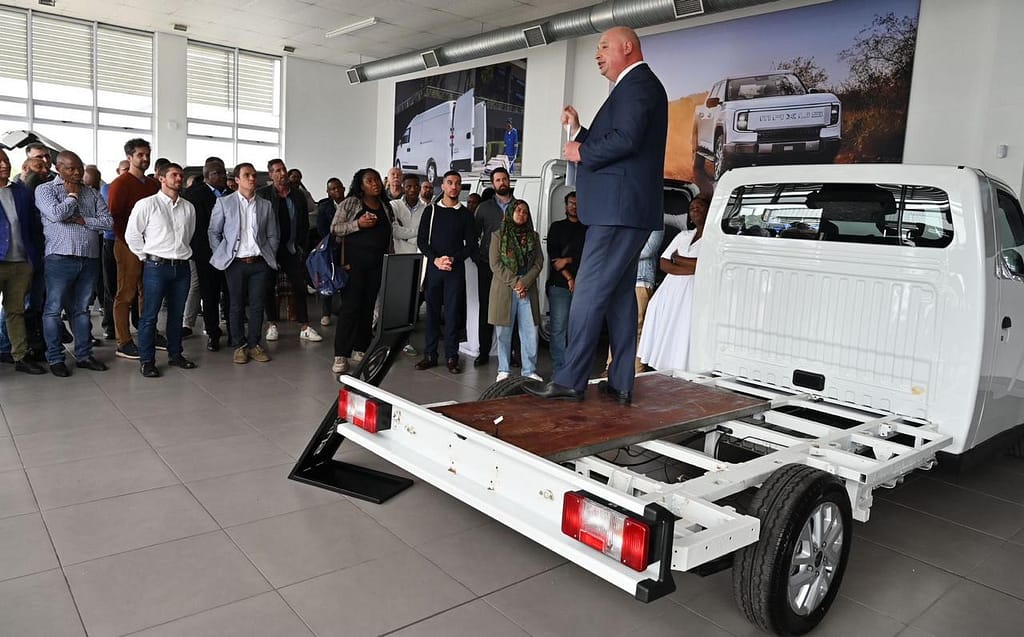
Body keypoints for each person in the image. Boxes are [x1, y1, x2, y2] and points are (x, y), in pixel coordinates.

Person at [525, 26, 668, 405]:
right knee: (620, 296)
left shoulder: (638, 83)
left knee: (587, 292)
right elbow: (621, 138)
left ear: (627, 46)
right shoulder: (634, 87)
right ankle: (621, 381)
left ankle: (570, 379)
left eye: (603, 46)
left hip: (618, 209)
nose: (597, 54)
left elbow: (627, 139)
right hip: (624, 208)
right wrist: (578, 132)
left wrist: (581, 152)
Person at [35, 151, 113, 377]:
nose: (77, 172)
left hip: (89, 259)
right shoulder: (46, 190)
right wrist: (72, 197)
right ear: (59, 168)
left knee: (81, 310)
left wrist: (83, 220)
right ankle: (56, 358)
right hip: (59, 258)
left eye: (79, 167)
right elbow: (57, 214)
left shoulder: (92, 192)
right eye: (70, 168)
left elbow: (108, 222)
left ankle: (84, 356)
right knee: (53, 310)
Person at [125, 162, 198, 377]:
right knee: (149, 316)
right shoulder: (147, 204)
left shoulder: (188, 207)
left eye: (181, 176)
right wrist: (145, 256)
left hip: (182, 266)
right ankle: (147, 360)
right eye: (174, 175)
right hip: (156, 266)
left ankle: (175, 354)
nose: (179, 179)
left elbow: (189, 235)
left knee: (177, 315)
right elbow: (132, 235)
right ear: (161, 178)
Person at [209, 162, 278, 364]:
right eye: (247, 175)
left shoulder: (265, 205)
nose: (252, 179)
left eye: (254, 175)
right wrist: (222, 254)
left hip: (259, 262)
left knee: (257, 305)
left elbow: (273, 234)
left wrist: (269, 253)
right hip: (235, 263)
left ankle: (254, 344)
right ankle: (239, 345)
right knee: (236, 305)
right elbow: (214, 232)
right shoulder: (225, 203)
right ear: (237, 179)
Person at [330, 168, 394, 374]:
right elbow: (335, 228)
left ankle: (360, 348)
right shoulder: (350, 203)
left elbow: (389, 235)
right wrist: (359, 223)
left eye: (377, 180)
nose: (375, 184)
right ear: (360, 184)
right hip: (353, 266)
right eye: (370, 181)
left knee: (367, 308)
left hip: (376, 265)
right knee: (350, 308)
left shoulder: (384, 206)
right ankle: (341, 354)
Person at [637, 197, 708, 371]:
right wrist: (692, 266)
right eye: (692, 207)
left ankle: (681, 369)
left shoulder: (713, 238)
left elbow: (708, 265)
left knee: (684, 328)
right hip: (670, 290)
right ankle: (662, 368)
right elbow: (664, 262)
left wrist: (679, 259)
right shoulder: (683, 235)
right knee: (664, 324)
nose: (695, 210)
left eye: (700, 207)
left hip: (692, 291)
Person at [416, 171, 475, 374]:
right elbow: (422, 241)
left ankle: (452, 356)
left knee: (452, 315)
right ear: (443, 186)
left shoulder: (466, 214)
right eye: (450, 183)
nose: (454, 187)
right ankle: (430, 355)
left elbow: (471, 245)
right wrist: (436, 259)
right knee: (431, 314)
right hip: (434, 269)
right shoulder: (431, 211)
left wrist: (453, 259)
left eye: (457, 183)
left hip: (454, 271)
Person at [109, 138, 162, 360]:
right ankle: (123, 341)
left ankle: (148, 332)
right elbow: (115, 216)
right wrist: (132, 242)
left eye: (147, 154)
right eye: (140, 155)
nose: (145, 158)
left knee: (147, 292)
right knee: (126, 292)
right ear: (129, 157)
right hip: (127, 244)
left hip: (152, 245)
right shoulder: (120, 184)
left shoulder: (152, 185)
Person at [258, 159, 321, 343]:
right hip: (270, 250)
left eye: (283, 169)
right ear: (270, 175)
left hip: (292, 248)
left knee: (299, 287)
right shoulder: (263, 195)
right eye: (277, 170)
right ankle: (272, 325)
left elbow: (304, 223)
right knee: (269, 287)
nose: (282, 173)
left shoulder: (298, 195)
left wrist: (302, 246)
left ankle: (305, 326)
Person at [0, 149, 46, 374]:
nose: (3, 165)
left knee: (15, 310)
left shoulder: (21, 192)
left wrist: (33, 257)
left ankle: (20, 356)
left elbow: (33, 227)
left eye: (6, 160)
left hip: (20, 262)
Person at [488, 200, 544, 382]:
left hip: (526, 288)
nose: (521, 214)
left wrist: (524, 283)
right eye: (518, 210)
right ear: (511, 212)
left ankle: (529, 370)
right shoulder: (498, 235)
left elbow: (538, 263)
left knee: (530, 330)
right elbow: (495, 264)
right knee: (504, 330)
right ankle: (503, 369)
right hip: (505, 288)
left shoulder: (533, 237)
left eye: (525, 212)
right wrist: (515, 283)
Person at [182, 158, 230, 351]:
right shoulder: (195, 194)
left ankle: (234, 332)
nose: (222, 176)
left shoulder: (232, 195)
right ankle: (213, 332)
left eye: (224, 172)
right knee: (209, 295)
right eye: (217, 173)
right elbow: (196, 227)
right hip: (206, 255)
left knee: (230, 294)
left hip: (229, 254)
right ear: (207, 175)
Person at [470, 167, 514, 367]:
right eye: (498, 180)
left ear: (509, 180)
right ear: (493, 184)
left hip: (512, 268)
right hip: (487, 265)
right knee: (486, 310)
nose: (502, 182)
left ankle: (512, 354)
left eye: (504, 179)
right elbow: (473, 235)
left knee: (512, 310)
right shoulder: (484, 208)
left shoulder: (519, 206)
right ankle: (484, 352)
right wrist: (478, 257)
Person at [546, 191, 586, 372]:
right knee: (558, 329)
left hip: (584, 285)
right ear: (565, 205)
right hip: (559, 284)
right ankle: (560, 369)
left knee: (578, 330)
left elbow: (588, 257)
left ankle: (574, 367)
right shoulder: (557, 227)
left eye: (578, 203)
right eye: (571, 203)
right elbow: (555, 260)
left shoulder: (588, 229)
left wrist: (568, 260)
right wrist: (570, 277)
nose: (574, 207)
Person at [315, 177, 345, 327]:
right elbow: (321, 229)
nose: (336, 191)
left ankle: (344, 310)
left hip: (348, 248)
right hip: (331, 248)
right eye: (332, 189)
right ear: (328, 192)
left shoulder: (351, 204)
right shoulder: (324, 207)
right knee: (328, 279)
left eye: (338, 187)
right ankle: (325, 312)